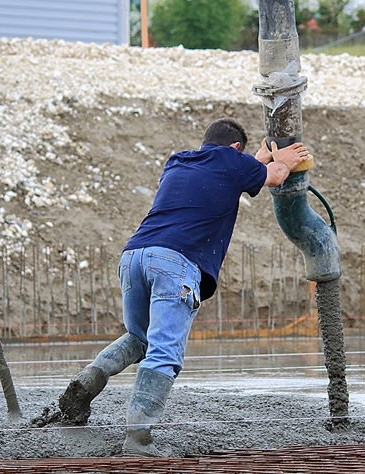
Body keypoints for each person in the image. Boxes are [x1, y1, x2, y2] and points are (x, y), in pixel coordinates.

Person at [34, 118, 308, 456]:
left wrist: (258, 161)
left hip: (134, 256)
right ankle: (138, 439)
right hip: (175, 264)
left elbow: (234, 171)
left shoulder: (179, 160)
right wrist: (286, 161)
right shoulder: (235, 164)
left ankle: (87, 383)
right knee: (164, 351)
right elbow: (275, 177)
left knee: (140, 338)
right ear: (236, 148)